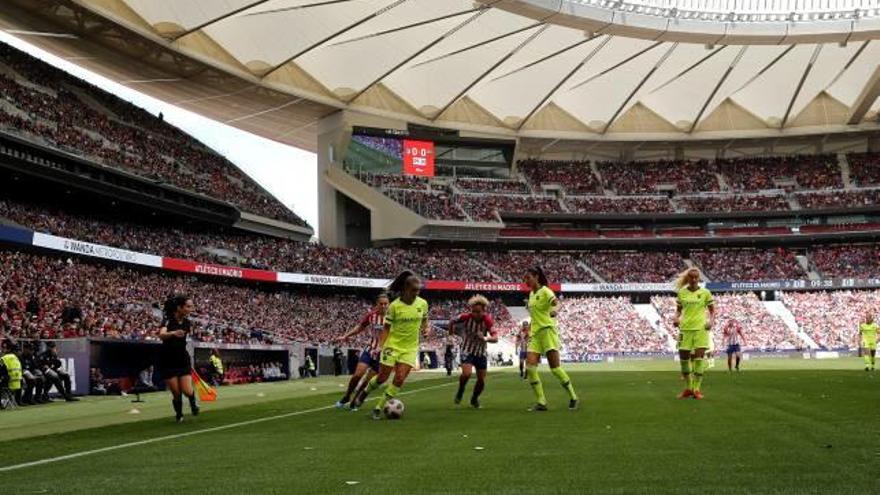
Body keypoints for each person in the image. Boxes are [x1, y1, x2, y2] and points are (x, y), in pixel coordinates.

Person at [352, 270, 430, 420]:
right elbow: (386, 328)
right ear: (406, 289)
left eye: (418, 290)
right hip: (392, 346)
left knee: (399, 378)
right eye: (414, 290)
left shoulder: (423, 304)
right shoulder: (394, 306)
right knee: (382, 377)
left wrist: (425, 329)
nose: (417, 293)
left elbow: (425, 321)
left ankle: (378, 407)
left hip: (410, 348)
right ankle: (365, 392)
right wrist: (381, 346)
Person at [523, 267, 578, 411]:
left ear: (536, 277)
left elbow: (558, 303)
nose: (526, 281)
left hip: (548, 331)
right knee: (530, 368)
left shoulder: (546, 291)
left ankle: (573, 397)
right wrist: (529, 330)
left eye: (528, 277)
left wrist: (555, 310)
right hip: (535, 334)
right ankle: (541, 402)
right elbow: (535, 316)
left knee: (555, 369)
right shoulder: (531, 295)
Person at [333, 293, 390, 409]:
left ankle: (355, 401)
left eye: (386, 304)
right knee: (357, 375)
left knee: (367, 381)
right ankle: (347, 396)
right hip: (370, 349)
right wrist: (345, 336)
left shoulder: (392, 318)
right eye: (381, 304)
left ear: (389, 305)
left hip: (382, 354)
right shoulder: (371, 316)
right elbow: (360, 328)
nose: (384, 306)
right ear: (377, 305)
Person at [673, 268, 715, 400]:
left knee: (699, 358)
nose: (694, 279)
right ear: (688, 278)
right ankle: (689, 388)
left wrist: (711, 321)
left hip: (700, 329)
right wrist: (676, 318)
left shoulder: (705, 293)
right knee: (684, 359)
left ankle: (696, 389)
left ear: (699, 279)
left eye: (696, 277)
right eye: (692, 277)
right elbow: (678, 310)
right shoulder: (682, 293)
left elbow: (712, 310)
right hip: (685, 329)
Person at [450, 295, 498, 409]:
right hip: (467, 349)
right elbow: (452, 321)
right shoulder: (465, 317)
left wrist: (485, 338)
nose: (475, 314)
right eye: (474, 311)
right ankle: (461, 390)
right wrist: (450, 335)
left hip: (481, 352)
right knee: (467, 374)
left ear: (484, 311)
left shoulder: (487, 320)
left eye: (478, 312)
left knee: (481, 380)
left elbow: (495, 338)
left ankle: (474, 398)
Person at [158, 295, 199, 422]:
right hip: (168, 360)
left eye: (191, 306)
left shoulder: (187, 323)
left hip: (182, 359)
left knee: (187, 390)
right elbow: (161, 335)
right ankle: (179, 414)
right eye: (188, 306)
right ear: (179, 307)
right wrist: (173, 333)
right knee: (176, 392)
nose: (191, 309)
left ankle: (193, 403)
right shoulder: (168, 320)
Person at [0, 339, 23, 407]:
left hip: (8, 382)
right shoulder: (16, 358)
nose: (2, 349)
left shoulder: (3, 358)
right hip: (17, 383)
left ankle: (2, 403)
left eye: (3, 348)